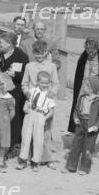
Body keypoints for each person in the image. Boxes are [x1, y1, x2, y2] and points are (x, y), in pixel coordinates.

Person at [21, 40, 60, 169]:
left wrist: (50, 94)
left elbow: (56, 84)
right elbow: (24, 83)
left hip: (45, 102)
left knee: (47, 131)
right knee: (29, 132)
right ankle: (29, 159)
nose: (39, 56)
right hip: (33, 100)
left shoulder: (51, 66)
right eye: (37, 53)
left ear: (46, 53)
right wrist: (28, 94)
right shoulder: (29, 66)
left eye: (42, 53)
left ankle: (47, 158)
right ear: (33, 53)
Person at [64, 76, 99, 175]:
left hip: (91, 126)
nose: (83, 87)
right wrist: (75, 118)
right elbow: (76, 110)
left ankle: (84, 168)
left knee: (88, 148)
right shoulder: (81, 98)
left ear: (92, 88)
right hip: (80, 124)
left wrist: (97, 126)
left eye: (85, 86)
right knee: (75, 145)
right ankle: (71, 166)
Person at [69, 37, 99, 135]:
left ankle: (94, 135)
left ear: (96, 48)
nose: (90, 53)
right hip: (83, 88)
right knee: (81, 110)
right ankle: (80, 132)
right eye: (88, 50)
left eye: (92, 51)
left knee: (95, 112)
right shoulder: (83, 57)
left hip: (96, 90)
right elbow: (79, 74)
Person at [17, 71, 56, 171]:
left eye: (46, 83)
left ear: (49, 83)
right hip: (30, 114)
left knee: (38, 139)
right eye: (42, 83)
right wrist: (25, 107)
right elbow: (27, 101)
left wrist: (45, 118)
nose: (44, 85)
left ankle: (35, 161)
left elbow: (51, 110)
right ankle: (23, 160)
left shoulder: (49, 95)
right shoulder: (32, 91)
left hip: (40, 115)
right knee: (25, 137)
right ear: (37, 82)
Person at [0, 32, 29, 152]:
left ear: (9, 44)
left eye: (1, 42)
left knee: (14, 119)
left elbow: (25, 76)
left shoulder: (21, 56)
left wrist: (15, 74)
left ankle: (13, 145)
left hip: (16, 93)